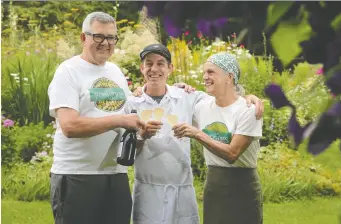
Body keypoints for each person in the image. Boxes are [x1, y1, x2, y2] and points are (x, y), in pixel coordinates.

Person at [126, 44, 264, 224]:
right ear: (141, 68)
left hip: (183, 189)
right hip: (147, 189)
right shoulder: (131, 103)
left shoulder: (189, 98)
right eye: (148, 64)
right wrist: (142, 136)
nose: (154, 69)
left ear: (170, 68)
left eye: (161, 63)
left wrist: (249, 97)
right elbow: (126, 153)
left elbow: (227, 99)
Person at [48, 12, 145, 224]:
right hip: (77, 175)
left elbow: (125, 112)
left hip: (115, 175)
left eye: (111, 38)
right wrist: (120, 121)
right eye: (99, 36)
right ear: (84, 38)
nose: (106, 43)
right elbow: (69, 126)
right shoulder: (68, 72)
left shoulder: (115, 71)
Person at [173, 52, 263, 224]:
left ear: (229, 77)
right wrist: (141, 91)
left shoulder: (248, 110)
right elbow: (169, 99)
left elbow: (232, 154)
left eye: (211, 72)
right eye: (204, 72)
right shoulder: (201, 107)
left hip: (243, 185)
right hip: (214, 183)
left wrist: (198, 134)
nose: (205, 77)